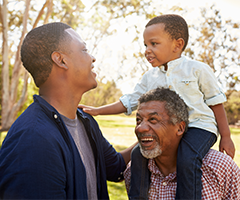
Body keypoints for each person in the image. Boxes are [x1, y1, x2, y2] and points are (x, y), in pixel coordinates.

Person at [78, 14, 235, 199]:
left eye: (154, 44)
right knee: (137, 155)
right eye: (145, 45)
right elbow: (129, 101)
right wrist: (98, 111)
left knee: (187, 158)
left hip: (199, 128)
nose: (147, 50)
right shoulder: (150, 77)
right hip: (166, 131)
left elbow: (216, 103)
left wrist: (225, 136)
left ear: (177, 45)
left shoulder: (197, 69)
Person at [0, 22, 136, 200]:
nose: (92, 58)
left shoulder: (85, 121)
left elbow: (115, 167)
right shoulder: (33, 139)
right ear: (61, 60)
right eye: (84, 50)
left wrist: (153, 135)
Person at [124, 87, 240, 200]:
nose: (140, 128)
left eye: (153, 119)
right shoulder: (134, 171)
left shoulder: (220, 167)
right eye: (138, 120)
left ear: (180, 128)